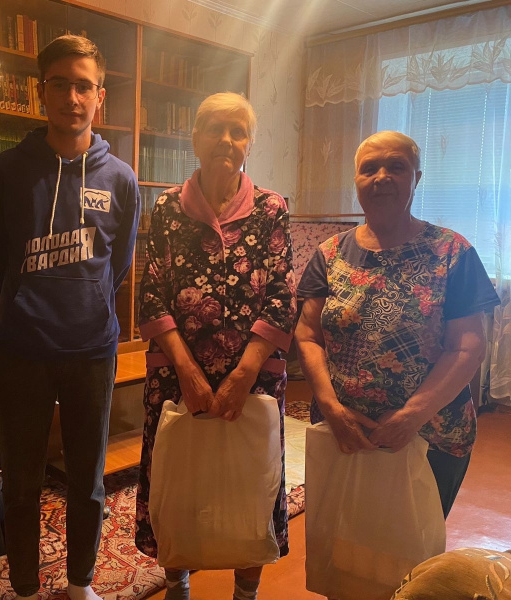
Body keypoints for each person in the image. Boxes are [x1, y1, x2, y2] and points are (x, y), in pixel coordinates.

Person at [0, 35, 140, 600]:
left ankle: (80, 583)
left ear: (100, 95)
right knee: (21, 480)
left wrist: (85, 303)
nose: (72, 97)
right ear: (40, 91)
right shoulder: (5, 172)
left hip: (91, 351)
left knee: (87, 480)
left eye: (83, 86)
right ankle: (25, 586)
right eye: (60, 84)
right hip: (22, 350)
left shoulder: (121, 178)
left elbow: (118, 265)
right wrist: (29, 300)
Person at [135, 92, 297, 600]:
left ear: (249, 142)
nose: (226, 140)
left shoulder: (271, 208)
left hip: (254, 377)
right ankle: (178, 585)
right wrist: (187, 371)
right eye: (215, 129)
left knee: (250, 486)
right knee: (178, 484)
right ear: (195, 138)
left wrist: (243, 376)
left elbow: (282, 295)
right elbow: (152, 291)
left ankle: (245, 594)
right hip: (176, 375)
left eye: (237, 131)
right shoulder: (167, 207)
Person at [295, 131, 500, 519]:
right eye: (369, 168)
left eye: (396, 166)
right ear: (356, 180)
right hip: (342, 432)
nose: (382, 177)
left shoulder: (453, 253)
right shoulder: (328, 255)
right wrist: (331, 407)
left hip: (431, 436)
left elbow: (468, 347)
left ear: (417, 178)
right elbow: (307, 336)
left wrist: (412, 415)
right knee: (346, 541)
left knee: (412, 546)